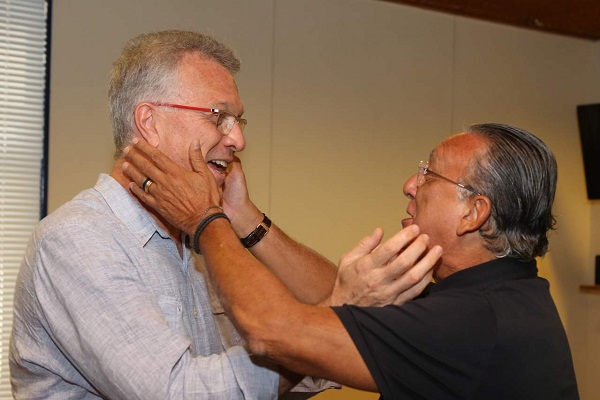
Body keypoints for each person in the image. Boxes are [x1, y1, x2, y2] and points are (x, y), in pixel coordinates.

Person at [9, 30, 442, 399]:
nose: (237, 140)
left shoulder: (203, 235)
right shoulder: (78, 240)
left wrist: (243, 216)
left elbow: (313, 317)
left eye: (238, 121)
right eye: (219, 117)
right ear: (149, 122)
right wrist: (323, 331)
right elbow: (182, 392)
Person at [122, 122, 580, 399]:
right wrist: (243, 217)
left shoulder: (470, 321)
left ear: (473, 212)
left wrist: (206, 218)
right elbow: (338, 298)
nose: (410, 184)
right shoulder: (497, 295)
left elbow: (272, 332)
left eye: (429, 173)